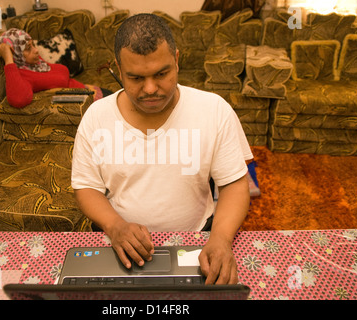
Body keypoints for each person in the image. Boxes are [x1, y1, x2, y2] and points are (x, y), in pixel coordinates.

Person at [71, 14, 253, 285]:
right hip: (119, 242)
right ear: (118, 71)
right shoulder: (97, 117)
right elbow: (86, 186)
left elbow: (235, 185)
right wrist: (115, 226)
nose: (151, 89)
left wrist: (220, 238)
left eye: (162, 74)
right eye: (135, 78)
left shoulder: (213, 110)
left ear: (177, 60)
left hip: (198, 238)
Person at [0, 28, 104, 108]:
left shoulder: (35, 65)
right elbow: (18, 100)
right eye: (28, 48)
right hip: (89, 102)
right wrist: (9, 60)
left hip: (89, 90)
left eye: (33, 45)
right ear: (16, 54)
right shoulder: (22, 75)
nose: (36, 50)